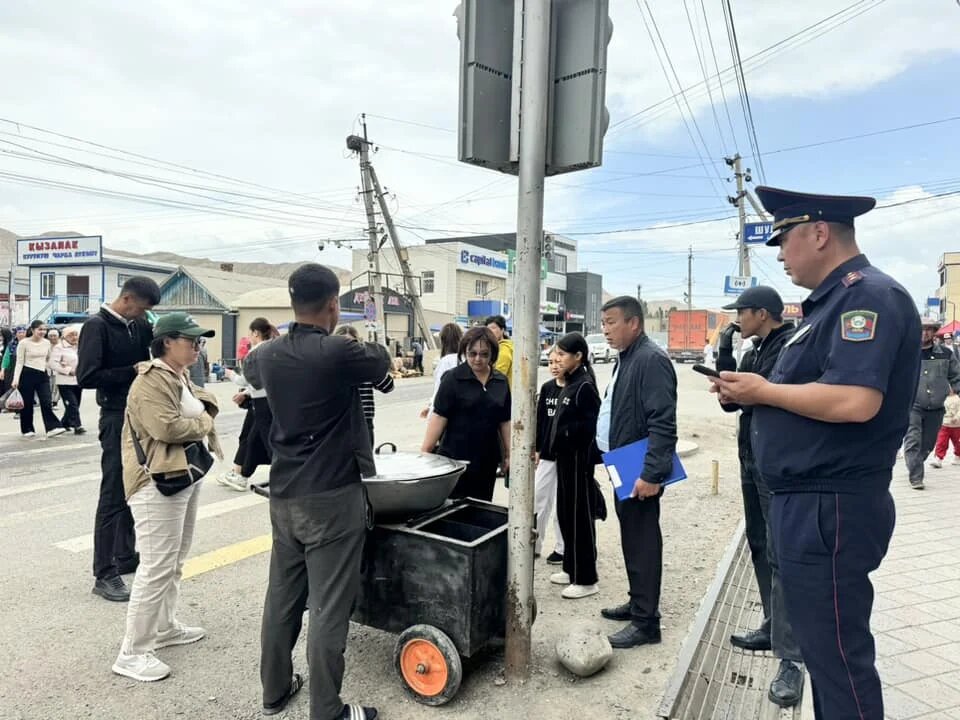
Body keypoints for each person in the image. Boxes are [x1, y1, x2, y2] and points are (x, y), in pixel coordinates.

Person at [710, 187, 921, 720]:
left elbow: (856, 400)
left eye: (785, 240)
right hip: (810, 503)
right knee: (825, 656)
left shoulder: (866, 297)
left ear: (820, 233)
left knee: (838, 661)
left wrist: (764, 391)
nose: (780, 254)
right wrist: (753, 393)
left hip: (831, 506)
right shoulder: (830, 305)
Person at [243, 264, 388, 720]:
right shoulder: (338, 351)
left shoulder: (265, 354)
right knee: (328, 606)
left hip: (284, 493)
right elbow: (381, 361)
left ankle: (274, 691)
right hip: (331, 497)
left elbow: (249, 371)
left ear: (292, 304)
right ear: (332, 304)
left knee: (282, 599)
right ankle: (327, 710)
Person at [112, 312, 222, 682]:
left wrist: (202, 414)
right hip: (154, 482)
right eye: (192, 340)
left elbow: (201, 405)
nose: (198, 347)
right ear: (167, 342)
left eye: (200, 341)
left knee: (174, 559)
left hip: (181, 475)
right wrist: (205, 421)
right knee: (156, 565)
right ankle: (132, 653)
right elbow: (168, 428)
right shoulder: (150, 380)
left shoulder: (179, 375)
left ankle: (164, 627)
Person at [715, 286, 803, 708]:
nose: (738, 319)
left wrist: (746, 392)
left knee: (782, 554)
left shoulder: (790, 347)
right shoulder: (755, 350)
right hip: (750, 458)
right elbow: (732, 404)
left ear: (763, 313)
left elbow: (773, 398)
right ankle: (772, 623)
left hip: (777, 464)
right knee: (759, 544)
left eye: (742, 313)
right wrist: (724, 353)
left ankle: (793, 658)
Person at [595, 296, 677, 649]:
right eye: (603, 323)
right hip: (621, 460)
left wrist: (652, 474)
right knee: (631, 535)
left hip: (638, 465)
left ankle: (646, 623)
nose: (606, 330)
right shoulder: (627, 357)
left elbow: (663, 422)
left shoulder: (651, 359)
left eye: (612, 322)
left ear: (634, 323)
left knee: (642, 539)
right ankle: (637, 601)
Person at [78, 276, 161, 602]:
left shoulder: (139, 325)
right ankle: (104, 572)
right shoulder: (96, 326)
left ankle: (125, 554)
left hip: (142, 415)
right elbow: (87, 376)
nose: (143, 315)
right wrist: (132, 370)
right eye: (141, 308)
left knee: (134, 487)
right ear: (127, 299)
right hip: (115, 417)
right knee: (113, 493)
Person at [422, 326, 511, 502]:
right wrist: (425, 451)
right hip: (455, 458)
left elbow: (505, 421)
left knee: (481, 506)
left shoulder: (500, 381)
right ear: (464, 351)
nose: (478, 359)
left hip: (487, 459)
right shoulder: (452, 379)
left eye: (484, 354)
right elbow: (439, 416)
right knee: (454, 507)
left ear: (492, 354)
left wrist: (508, 454)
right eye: (472, 353)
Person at [547, 332, 603, 600]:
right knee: (566, 514)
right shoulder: (570, 382)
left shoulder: (584, 386)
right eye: (556, 353)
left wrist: (572, 441)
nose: (557, 358)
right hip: (565, 459)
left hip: (579, 460)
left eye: (562, 354)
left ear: (578, 356)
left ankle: (586, 578)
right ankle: (570, 568)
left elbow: (593, 426)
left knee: (579, 517)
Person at [220, 318, 277, 491]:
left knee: (262, 441)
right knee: (255, 440)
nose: (249, 337)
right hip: (274, 401)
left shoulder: (255, 353)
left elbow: (244, 380)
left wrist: (229, 374)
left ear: (256, 333)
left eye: (250, 333)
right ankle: (241, 474)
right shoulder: (274, 350)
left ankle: (244, 475)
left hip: (261, 404)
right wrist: (246, 392)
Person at [903, 317, 960, 489]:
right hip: (913, 404)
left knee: (928, 444)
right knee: (913, 440)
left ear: (934, 332)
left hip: (936, 407)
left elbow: (956, 376)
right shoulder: (906, 353)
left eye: (928, 329)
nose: (924, 333)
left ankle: (915, 463)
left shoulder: (946, 353)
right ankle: (916, 477)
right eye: (921, 329)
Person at [334, 326, 395, 448]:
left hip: (363, 422)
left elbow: (388, 386)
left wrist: (375, 367)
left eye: (351, 345)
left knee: (364, 458)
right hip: (337, 423)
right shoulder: (329, 365)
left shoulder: (366, 365)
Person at [534, 351, 565, 563]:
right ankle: (534, 544)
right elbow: (540, 419)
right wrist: (537, 448)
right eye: (551, 362)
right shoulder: (547, 388)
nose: (554, 366)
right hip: (547, 453)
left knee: (563, 502)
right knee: (538, 498)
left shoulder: (577, 387)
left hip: (566, 455)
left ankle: (562, 548)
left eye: (559, 362)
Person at [12, 320, 67, 439]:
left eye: (44, 329)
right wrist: (15, 379)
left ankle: (52, 427)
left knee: (46, 401)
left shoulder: (46, 343)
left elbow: (49, 359)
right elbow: (19, 362)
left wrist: (59, 366)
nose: (43, 332)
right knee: (27, 404)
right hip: (26, 374)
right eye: (40, 329)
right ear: (32, 330)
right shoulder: (24, 343)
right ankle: (27, 429)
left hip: (42, 374)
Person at [420, 323, 463, 419]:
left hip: (447, 412)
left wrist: (432, 410)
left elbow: (439, 389)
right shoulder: (465, 358)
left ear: (443, 341)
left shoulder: (445, 361)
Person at [50, 324, 86, 434]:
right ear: (64, 336)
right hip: (64, 381)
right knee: (72, 404)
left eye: (76, 335)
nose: (74, 337)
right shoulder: (59, 347)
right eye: (71, 335)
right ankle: (77, 426)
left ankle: (65, 423)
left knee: (75, 404)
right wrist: (68, 370)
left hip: (77, 380)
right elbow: (53, 364)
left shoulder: (79, 346)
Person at [930, 393, 960, 468]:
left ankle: (958, 456)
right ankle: (938, 459)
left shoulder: (958, 399)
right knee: (941, 442)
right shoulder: (941, 397)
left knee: (957, 443)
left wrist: (957, 417)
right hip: (944, 424)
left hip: (956, 426)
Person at [484, 315, 514, 388]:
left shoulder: (504, 349)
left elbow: (498, 375)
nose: (490, 331)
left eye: (493, 328)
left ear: (502, 330)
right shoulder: (495, 347)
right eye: (488, 329)